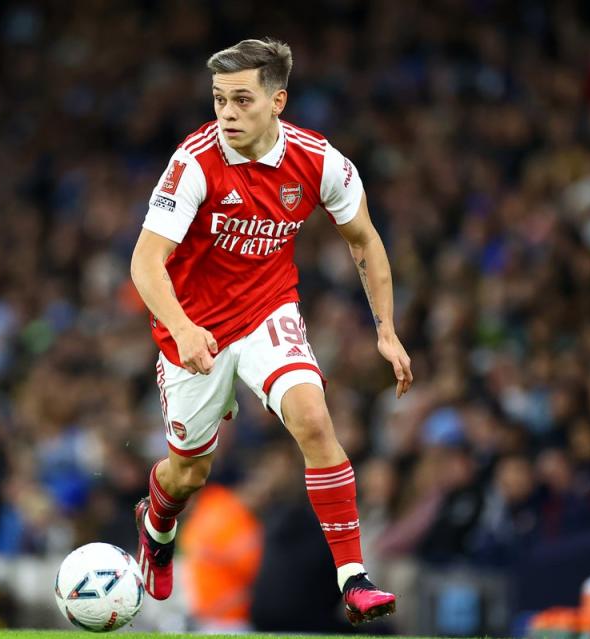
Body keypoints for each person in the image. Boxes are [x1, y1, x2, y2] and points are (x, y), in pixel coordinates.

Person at [129, 38, 412, 625]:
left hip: (267, 312)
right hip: (194, 329)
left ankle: (353, 578)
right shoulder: (194, 161)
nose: (226, 114)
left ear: (277, 101)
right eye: (218, 100)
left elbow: (364, 239)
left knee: (313, 416)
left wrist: (386, 331)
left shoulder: (319, 161)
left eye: (240, 100)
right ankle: (156, 527)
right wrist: (181, 327)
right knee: (190, 472)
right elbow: (145, 261)